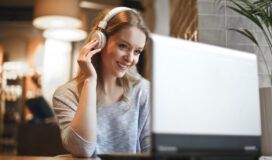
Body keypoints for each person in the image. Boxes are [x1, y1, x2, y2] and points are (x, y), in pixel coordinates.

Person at [52, 7, 151, 158]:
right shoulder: (66, 94)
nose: (130, 59)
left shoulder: (143, 90)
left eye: (137, 51)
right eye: (123, 46)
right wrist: (90, 81)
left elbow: (152, 152)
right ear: (99, 42)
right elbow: (82, 149)